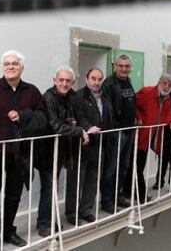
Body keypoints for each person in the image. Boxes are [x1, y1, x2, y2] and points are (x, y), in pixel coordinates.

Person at [0, 50, 43, 251]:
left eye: (14, 63)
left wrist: (22, 115)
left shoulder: (31, 91)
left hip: (20, 152)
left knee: (13, 195)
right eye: (7, 63)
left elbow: (42, 117)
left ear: (22, 67)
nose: (10, 66)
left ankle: (8, 232)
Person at [37, 65, 89, 237]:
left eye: (68, 81)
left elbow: (77, 118)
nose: (64, 83)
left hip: (63, 149)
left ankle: (51, 220)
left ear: (73, 82)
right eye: (61, 80)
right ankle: (44, 224)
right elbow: (56, 126)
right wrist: (79, 131)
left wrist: (82, 127)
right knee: (49, 186)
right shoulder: (48, 98)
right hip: (47, 149)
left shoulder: (72, 97)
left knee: (54, 186)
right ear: (55, 81)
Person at [65, 68, 114, 225]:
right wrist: (87, 128)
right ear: (86, 79)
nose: (96, 82)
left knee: (92, 180)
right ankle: (71, 213)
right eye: (93, 78)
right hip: (82, 145)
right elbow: (78, 117)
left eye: (99, 79)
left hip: (100, 144)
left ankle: (86, 210)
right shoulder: (78, 97)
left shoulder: (105, 96)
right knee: (76, 181)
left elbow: (108, 117)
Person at [121, 74, 171, 203]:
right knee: (136, 167)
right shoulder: (147, 92)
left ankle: (127, 192)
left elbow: (168, 113)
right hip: (139, 136)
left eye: (170, 84)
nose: (167, 86)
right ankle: (141, 196)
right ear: (159, 82)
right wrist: (138, 117)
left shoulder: (167, 98)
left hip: (149, 139)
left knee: (135, 166)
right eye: (165, 83)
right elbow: (131, 103)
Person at [101, 54, 136, 212]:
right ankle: (107, 200)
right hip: (117, 132)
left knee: (123, 166)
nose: (123, 69)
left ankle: (117, 195)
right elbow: (108, 110)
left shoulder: (128, 81)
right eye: (121, 66)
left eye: (126, 66)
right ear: (115, 66)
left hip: (129, 130)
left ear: (130, 68)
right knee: (111, 168)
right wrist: (115, 130)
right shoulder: (108, 84)